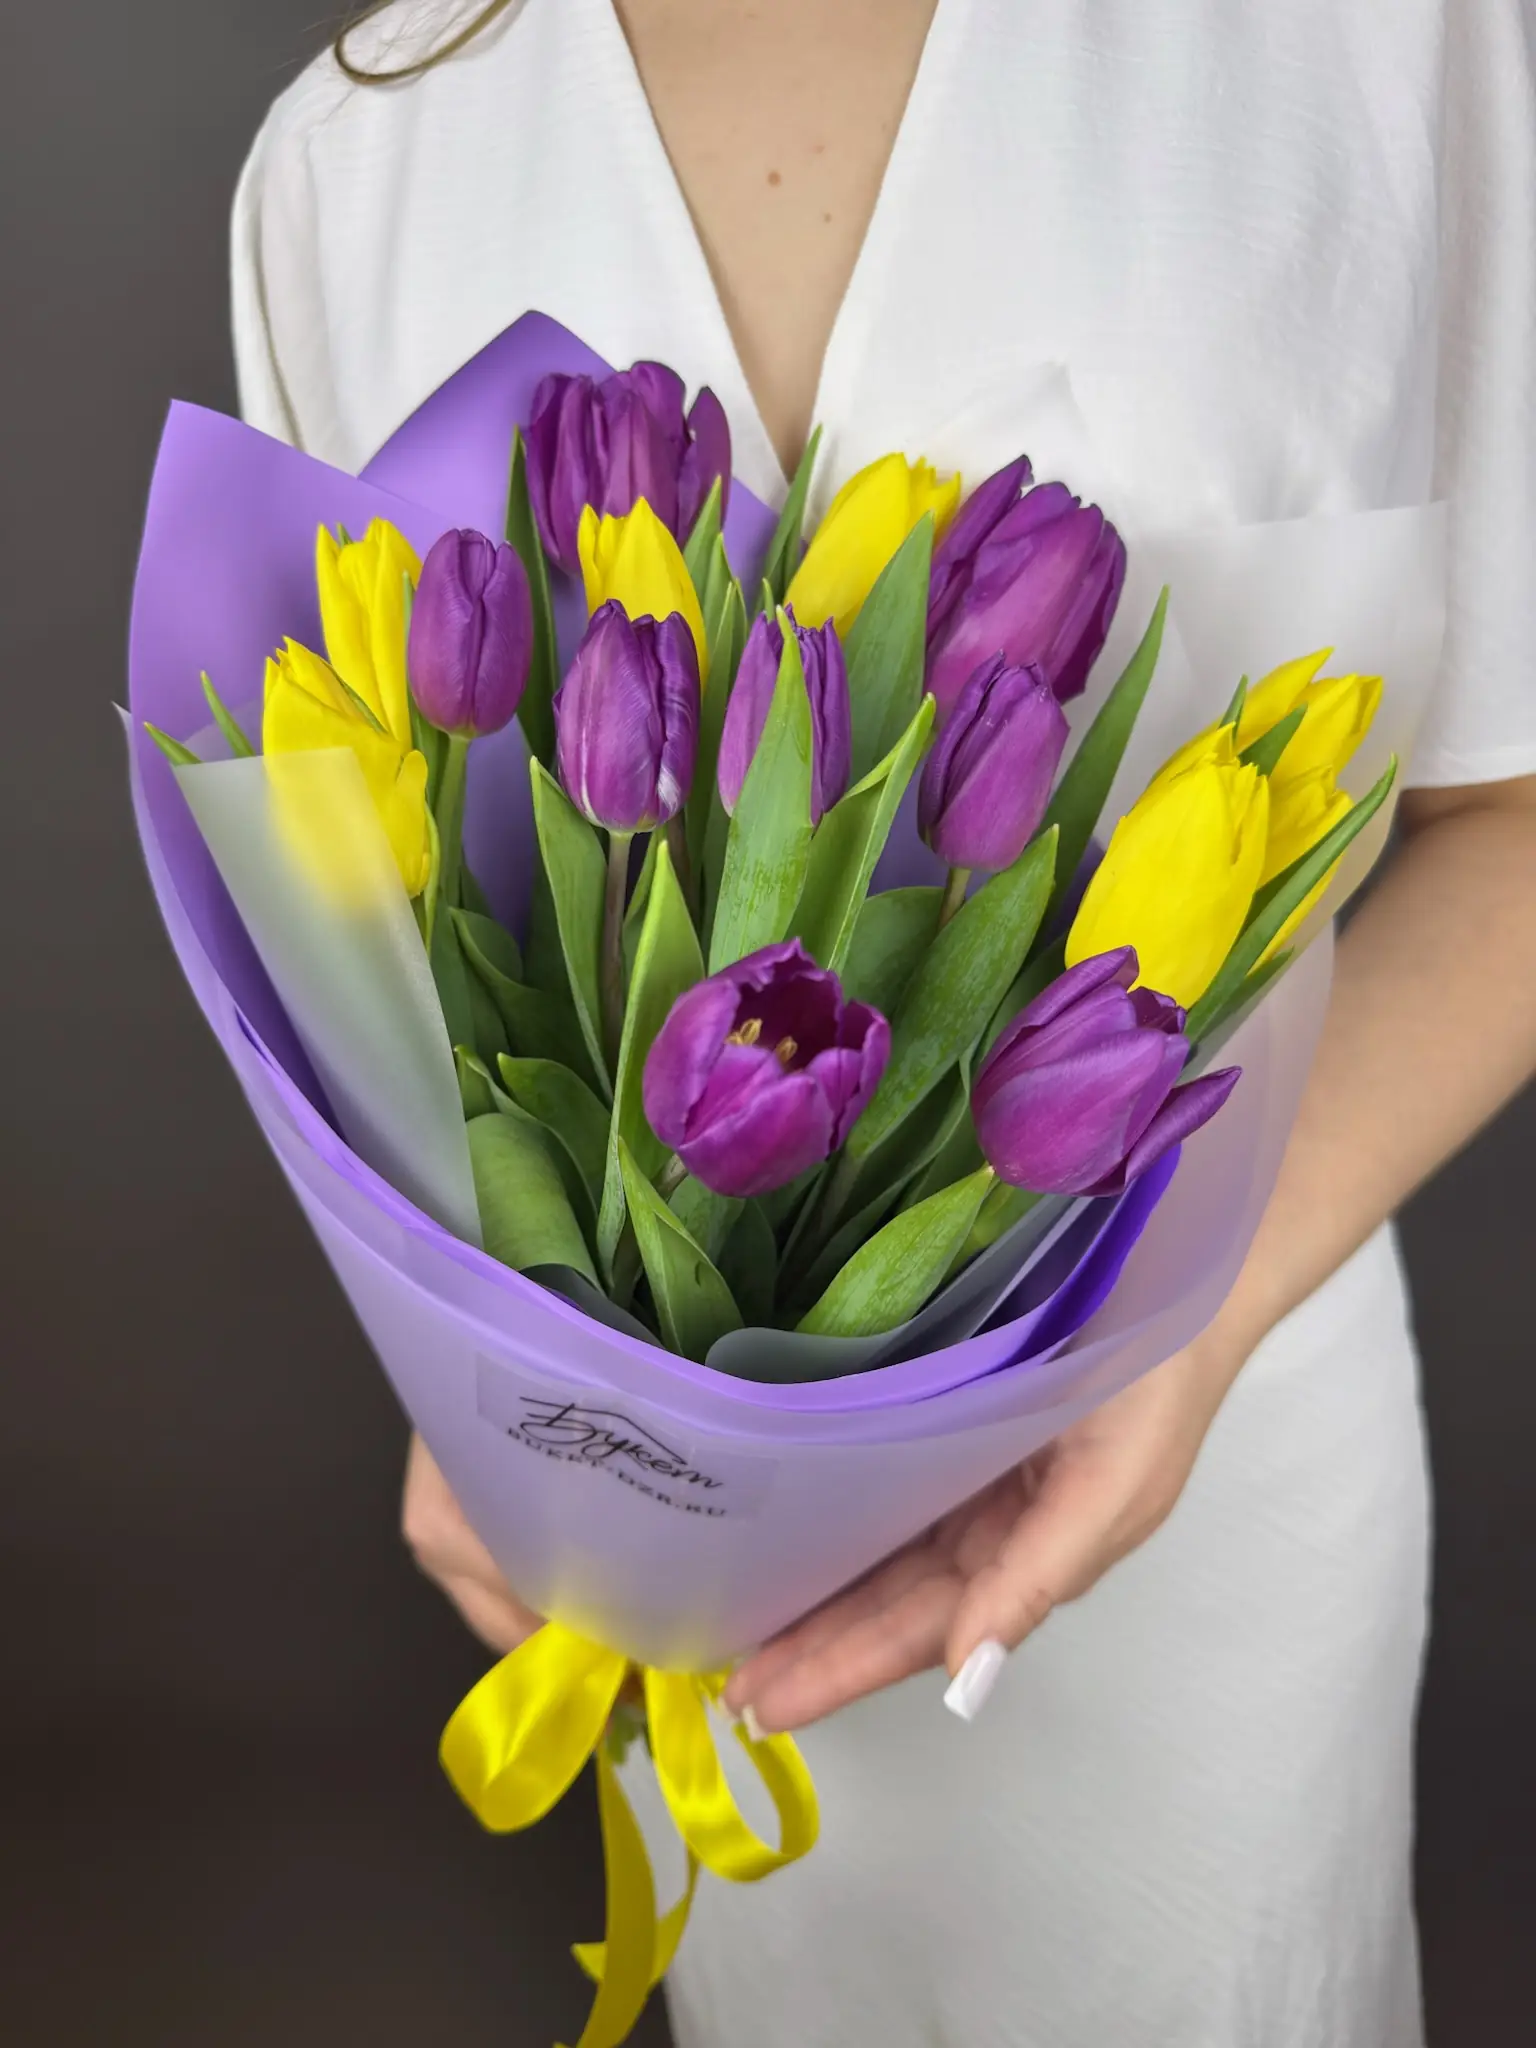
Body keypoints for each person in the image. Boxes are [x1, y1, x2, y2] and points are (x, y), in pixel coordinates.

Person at [233, 2, 1536, 2041]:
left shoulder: (1372, 41)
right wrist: (497, 1384)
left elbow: (1517, 814)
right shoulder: (359, 157)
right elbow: (367, 897)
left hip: (1205, 1501)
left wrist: (1174, 1336)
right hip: (687, 1581)